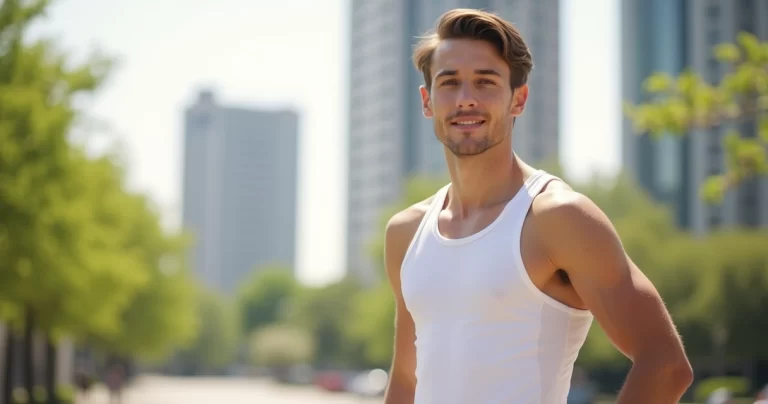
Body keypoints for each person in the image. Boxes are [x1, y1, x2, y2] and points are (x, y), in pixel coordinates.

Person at [382, 8, 693, 404]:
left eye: (485, 82)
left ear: (519, 99)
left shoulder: (558, 217)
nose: (466, 99)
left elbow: (665, 364)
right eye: (450, 83)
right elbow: (408, 381)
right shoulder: (405, 233)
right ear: (428, 102)